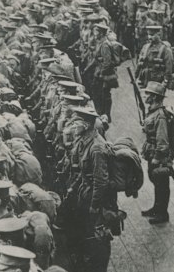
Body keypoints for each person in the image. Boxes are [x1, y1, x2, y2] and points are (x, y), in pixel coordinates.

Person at [67, 107, 116, 272]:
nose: (73, 127)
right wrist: (74, 187)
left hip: (98, 198)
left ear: (87, 125)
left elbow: (100, 181)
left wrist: (95, 206)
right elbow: (83, 171)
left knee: (99, 235)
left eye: (76, 123)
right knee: (87, 231)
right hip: (86, 191)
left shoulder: (96, 148)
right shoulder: (84, 141)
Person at [140, 82, 173, 224]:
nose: (145, 96)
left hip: (159, 155)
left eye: (148, 94)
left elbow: (163, 140)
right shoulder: (153, 111)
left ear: (154, 97)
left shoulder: (160, 115)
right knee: (156, 181)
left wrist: (157, 158)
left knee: (161, 183)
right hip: (152, 152)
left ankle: (162, 213)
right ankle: (156, 208)